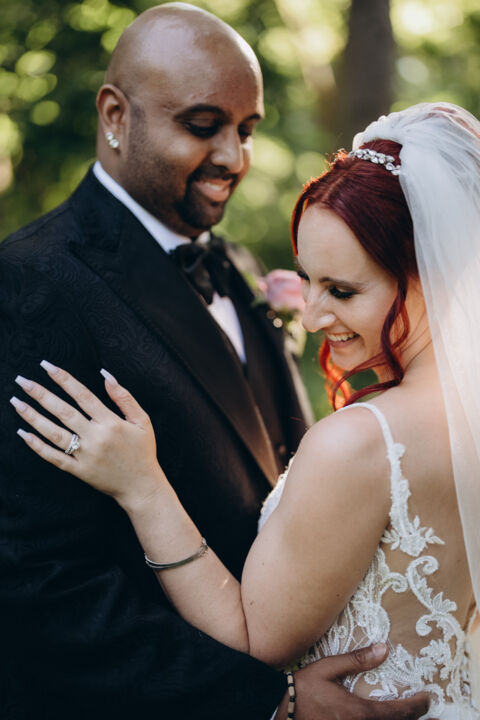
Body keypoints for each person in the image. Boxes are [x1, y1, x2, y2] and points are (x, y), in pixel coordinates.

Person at [0, 4, 430, 719]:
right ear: (115, 115)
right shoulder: (31, 285)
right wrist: (270, 701)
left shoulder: (239, 267)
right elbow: (36, 584)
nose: (234, 158)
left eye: (247, 129)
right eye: (203, 126)